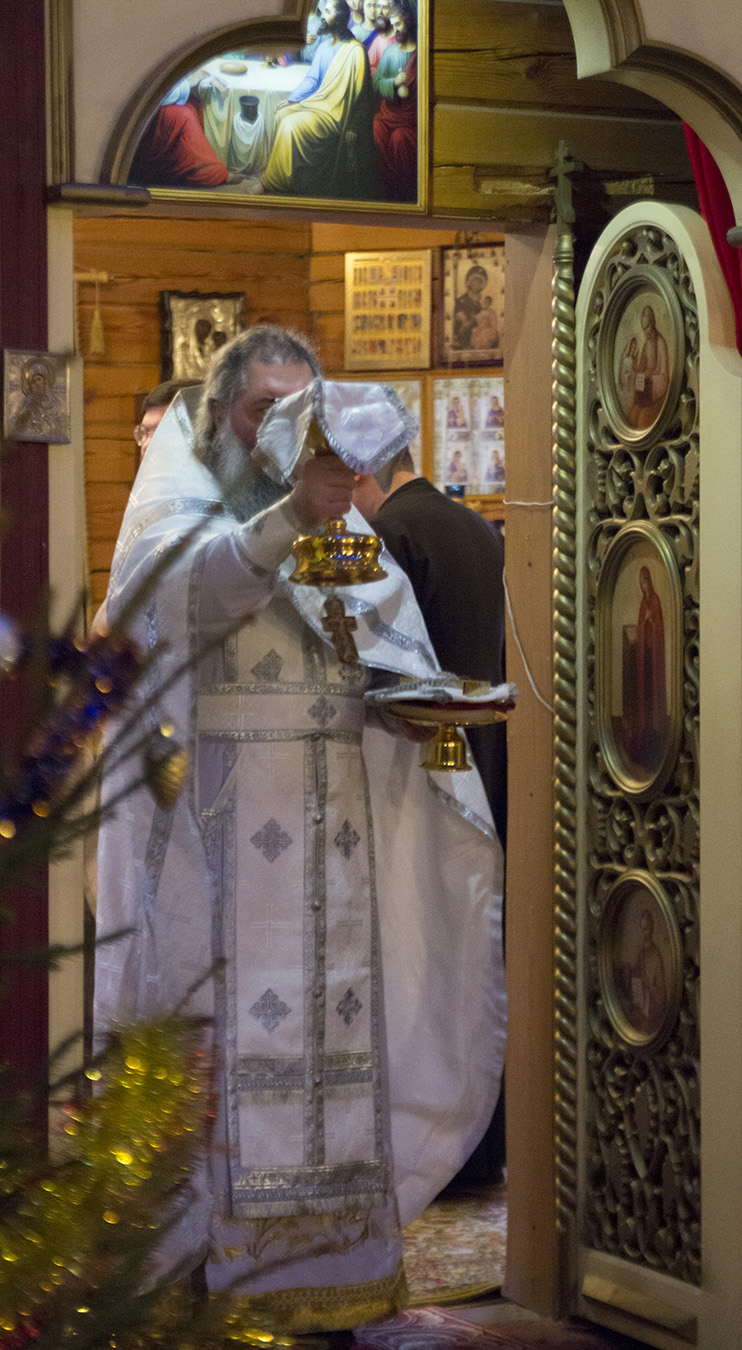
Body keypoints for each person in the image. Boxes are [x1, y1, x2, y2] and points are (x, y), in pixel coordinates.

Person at [94, 325, 506, 1335]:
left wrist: (417, 703)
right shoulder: (179, 499)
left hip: (336, 853)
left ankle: (343, 1289)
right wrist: (290, 516)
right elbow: (182, 598)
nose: (277, 431)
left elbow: (382, 635)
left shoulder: (331, 515)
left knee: (342, 1061)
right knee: (218, 1064)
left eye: (296, 410)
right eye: (258, 412)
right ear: (219, 414)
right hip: (213, 856)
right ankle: (208, 1292)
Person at [352, 450, 508, 1185]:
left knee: (425, 959)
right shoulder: (476, 526)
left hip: (419, 766)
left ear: (363, 472)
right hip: (487, 760)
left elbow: (383, 664)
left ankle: (435, 1153)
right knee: (479, 951)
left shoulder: (392, 535)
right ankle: (485, 1146)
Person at [246, 0, 380, 200]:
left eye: (328, 12)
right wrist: (291, 99)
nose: (322, 16)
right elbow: (312, 79)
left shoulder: (355, 52)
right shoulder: (324, 47)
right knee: (282, 113)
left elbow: (361, 98)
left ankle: (270, 182)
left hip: (335, 114)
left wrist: (353, 125)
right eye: (323, 11)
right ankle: (288, 176)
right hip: (320, 104)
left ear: (340, 18)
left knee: (290, 124)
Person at [129, 77, 246, 189]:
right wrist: (189, 82)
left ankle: (192, 164)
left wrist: (202, 79)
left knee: (194, 105)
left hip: (164, 104)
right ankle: (212, 171)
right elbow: (156, 95)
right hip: (148, 117)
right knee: (184, 115)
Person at [372, 0, 417, 202]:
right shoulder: (389, 53)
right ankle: (387, 188)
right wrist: (393, 82)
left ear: (408, 22)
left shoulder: (420, 54)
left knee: (400, 138)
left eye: (398, 23)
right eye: (393, 24)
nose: (395, 29)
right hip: (389, 114)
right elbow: (377, 82)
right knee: (376, 128)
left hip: (409, 119)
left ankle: (403, 193)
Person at [628, 305, 670, 430]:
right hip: (644, 393)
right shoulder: (647, 344)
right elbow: (641, 367)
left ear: (653, 324)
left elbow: (664, 376)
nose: (646, 332)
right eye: (644, 329)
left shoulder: (660, 343)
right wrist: (638, 374)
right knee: (633, 414)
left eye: (647, 328)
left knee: (643, 418)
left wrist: (650, 378)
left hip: (656, 397)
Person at [453, 264, 489, 349]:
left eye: (480, 281)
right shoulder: (460, 301)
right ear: (469, 282)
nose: (477, 284)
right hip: (464, 341)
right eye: (474, 281)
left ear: (483, 285)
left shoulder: (482, 304)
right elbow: (457, 325)